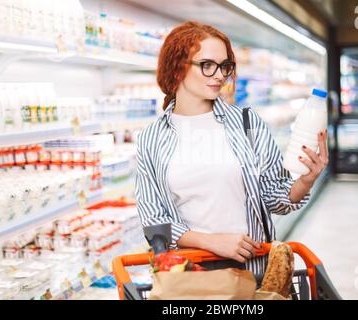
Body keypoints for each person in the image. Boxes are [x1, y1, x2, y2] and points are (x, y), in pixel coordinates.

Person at [135, 21, 329, 275]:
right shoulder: (151, 138)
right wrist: (211, 241)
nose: (219, 75)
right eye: (207, 65)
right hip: (188, 274)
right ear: (176, 67)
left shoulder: (248, 123)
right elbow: (154, 220)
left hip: (251, 268)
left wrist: (306, 180)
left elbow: (275, 198)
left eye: (224, 66)